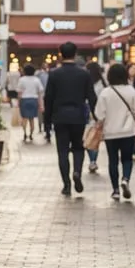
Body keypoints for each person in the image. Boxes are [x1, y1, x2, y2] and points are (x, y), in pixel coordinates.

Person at [44, 41, 97, 196]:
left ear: (61, 53)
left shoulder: (54, 74)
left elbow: (49, 98)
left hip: (59, 116)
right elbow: (91, 96)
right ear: (75, 53)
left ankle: (66, 184)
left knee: (62, 151)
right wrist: (97, 115)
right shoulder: (84, 73)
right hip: (78, 116)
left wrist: (47, 120)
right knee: (78, 147)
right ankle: (77, 173)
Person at [95, 63, 135, 201]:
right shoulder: (131, 91)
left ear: (110, 76)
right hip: (128, 132)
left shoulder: (106, 92)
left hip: (111, 132)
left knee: (113, 160)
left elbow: (99, 114)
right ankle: (125, 179)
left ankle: (115, 190)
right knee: (127, 159)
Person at [85, 61, 107, 173]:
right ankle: (93, 161)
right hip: (98, 113)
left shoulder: (85, 82)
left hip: (87, 113)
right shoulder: (102, 84)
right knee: (94, 138)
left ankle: (92, 160)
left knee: (88, 137)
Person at [17, 63, 43, 142]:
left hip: (24, 100)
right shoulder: (36, 80)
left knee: (24, 118)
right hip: (34, 100)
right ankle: (31, 134)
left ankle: (25, 133)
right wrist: (41, 104)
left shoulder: (22, 79)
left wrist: (18, 102)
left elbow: (19, 92)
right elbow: (40, 92)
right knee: (32, 119)